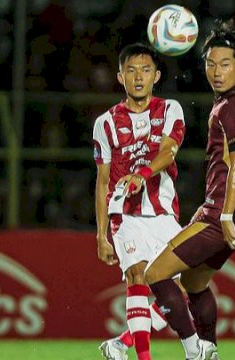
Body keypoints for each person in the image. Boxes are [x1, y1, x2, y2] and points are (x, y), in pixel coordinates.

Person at [124, 20, 235, 360]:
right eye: (211, 64)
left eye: (225, 64)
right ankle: (209, 350)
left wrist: (225, 215)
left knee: (155, 273)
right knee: (195, 285)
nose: (216, 71)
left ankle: (194, 350)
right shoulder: (233, 102)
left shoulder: (232, 107)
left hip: (221, 215)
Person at [93, 43, 186, 360]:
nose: (138, 77)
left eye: (145, 70)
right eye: (131, 70)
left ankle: (121, 344)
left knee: (180, 295)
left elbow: (169, 150)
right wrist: (101, 234)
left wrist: (142, 174)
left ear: (156, 76)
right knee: (138, 275)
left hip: (163, 214)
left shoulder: (170, 110)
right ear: (120, 77)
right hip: (126, 216)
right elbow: (103, 181)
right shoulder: (105, 123)